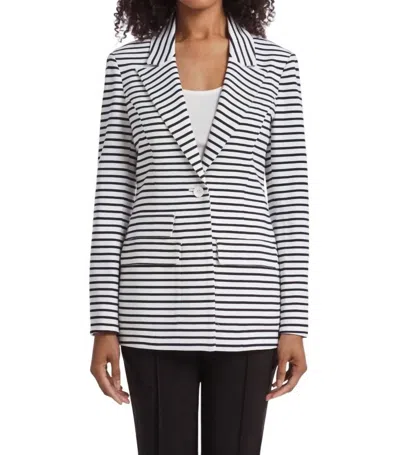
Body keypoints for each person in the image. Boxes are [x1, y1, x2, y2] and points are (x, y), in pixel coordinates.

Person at [89, 1, 309, 453]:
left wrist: (294, 323)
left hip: (248, 309)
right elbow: (112, 197)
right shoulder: (126, 66)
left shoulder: (277, 66)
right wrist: (103, 323)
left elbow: (289, 201)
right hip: (151, 311)